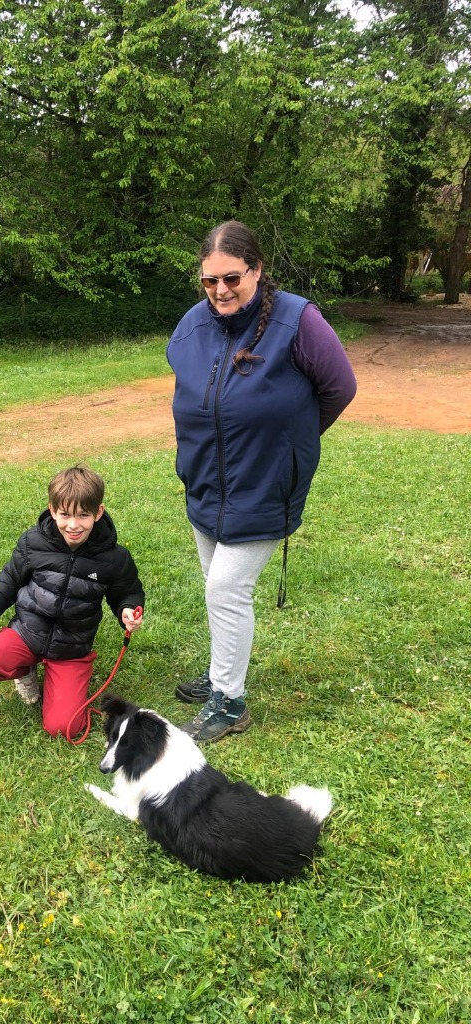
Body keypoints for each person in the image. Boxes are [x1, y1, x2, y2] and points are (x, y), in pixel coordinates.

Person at [167, 220, 357, 744]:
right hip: (206, 482)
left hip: (264, 485)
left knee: (227, 589)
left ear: (256, 270)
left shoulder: (298, 321)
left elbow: (340, 387)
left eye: (232, 278)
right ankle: (220, 672)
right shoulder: (192, 325)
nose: (221, 290)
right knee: (215, 586)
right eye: (210, 281)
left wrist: (290, 442)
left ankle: (229, 703)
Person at [0, 464, 144, 738]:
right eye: (65, 514)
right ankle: (25, 671)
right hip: (27, 631)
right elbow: (11, 576)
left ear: (98, 512)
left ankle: (64, 680)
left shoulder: (115, 557)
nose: (73, 525)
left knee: (63, 727)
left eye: (83, 515)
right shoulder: (33, 541)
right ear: (52, 510)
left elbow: (128, 591)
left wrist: (127, 610)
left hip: (71, 648)